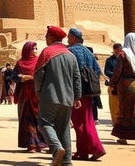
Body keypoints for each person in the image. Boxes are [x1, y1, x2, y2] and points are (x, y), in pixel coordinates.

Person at [34, 26, 81, 166]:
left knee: (44, 123)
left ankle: (56, 148)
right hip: (68, 97)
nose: (45, 38)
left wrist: (37, 91)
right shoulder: (70, 55)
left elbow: (38, 75)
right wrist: (77, 97)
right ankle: (66, 161)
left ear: (51, 37)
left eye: (47, 36)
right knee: (64, 128)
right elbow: (76, 77)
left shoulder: (47, 53)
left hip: (49, 96)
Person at [66, 28, 105, 161]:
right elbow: (97, 71)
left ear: (74, 37)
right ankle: (81, 152)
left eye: (69, 36)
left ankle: (97, 148)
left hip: (76, 93)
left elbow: (70, 73)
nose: (67, 39)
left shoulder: (70, 52)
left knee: (82, 122)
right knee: (84, 120)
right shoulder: (88, 52)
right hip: (88, 93)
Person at [111, 32, 135, 146]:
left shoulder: (123, 54)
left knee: (125, 111)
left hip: (126, 86)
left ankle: (123, 137)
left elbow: (118, 71)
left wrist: (112, 83)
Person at [12, 41, 47, 153]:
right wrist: (22, 77)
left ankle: (41, 143)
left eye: (36, 48)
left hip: (38, 94)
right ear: (27, 50)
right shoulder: (20, 63)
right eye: (33, 49)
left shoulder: (39, 61)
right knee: (27, 120)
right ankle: (31, 144)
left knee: (39, 118)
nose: (36, 51)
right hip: (25, 95)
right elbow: (13, 76)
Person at [104, 43, 122, 124]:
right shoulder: (110, 60)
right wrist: (115, 74)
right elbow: (106, 71)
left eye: (119, 50)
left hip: (122, 84)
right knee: (114, 105)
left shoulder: (124, 59)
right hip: (113, 85)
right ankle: (115, 122)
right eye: (116, 50)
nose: (117, 52)